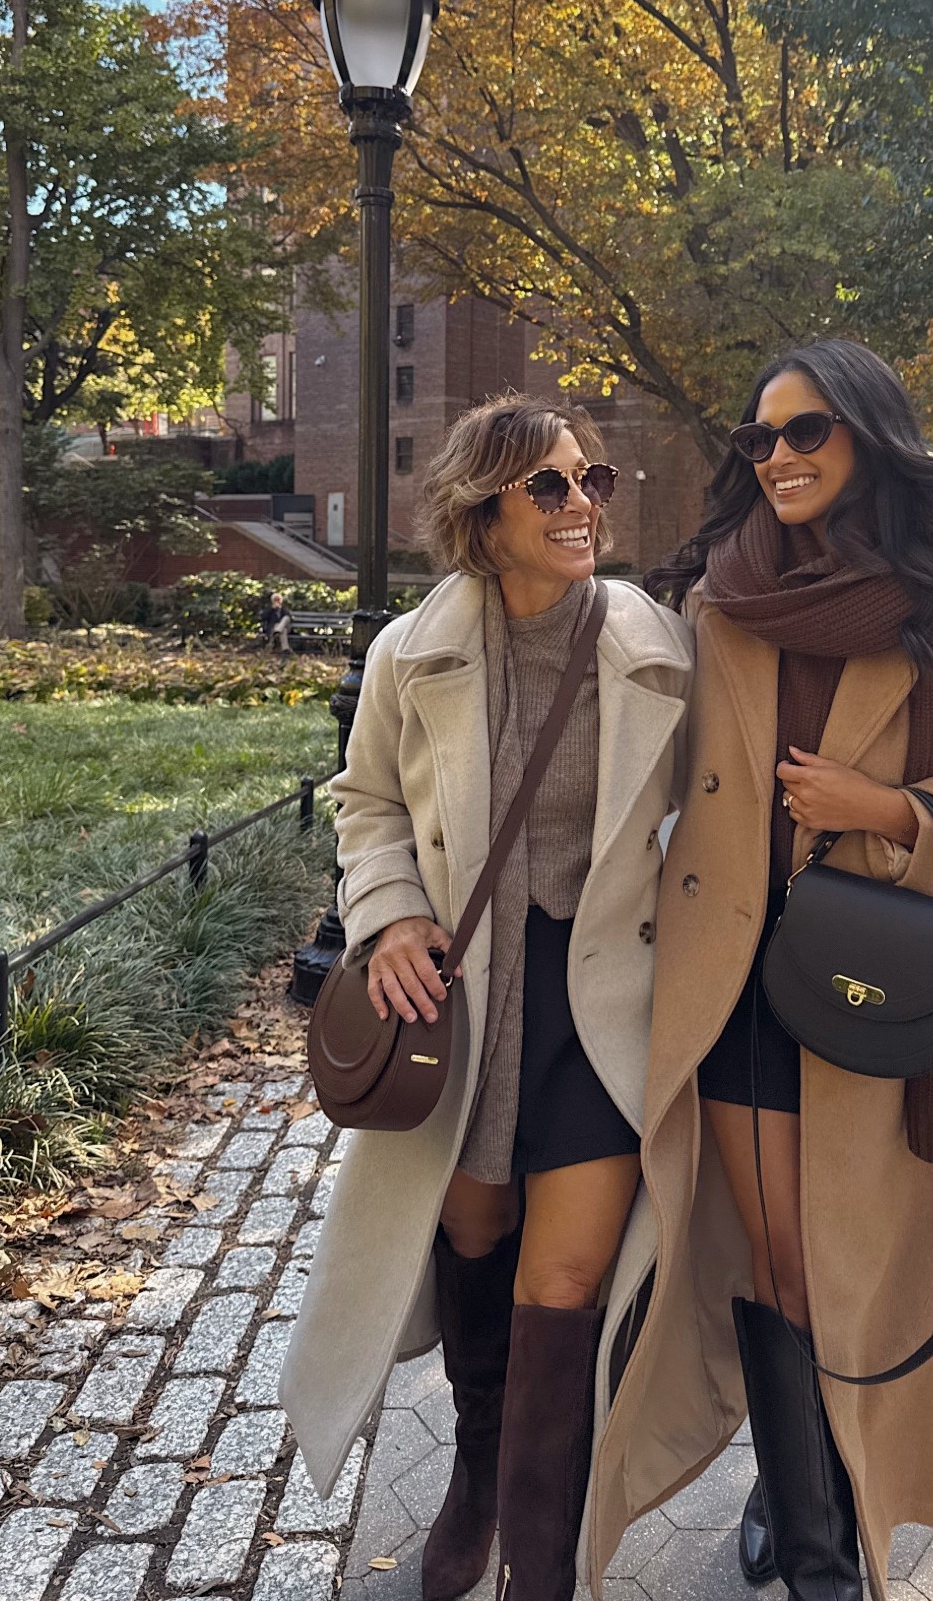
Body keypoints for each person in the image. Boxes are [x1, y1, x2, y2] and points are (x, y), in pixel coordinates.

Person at [586, 339, 933, 1601]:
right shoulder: (714, 596)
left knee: (865, 1266)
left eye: (809, 432)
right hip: (739, 982)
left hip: (887, 987)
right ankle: (816, 1541)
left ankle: (839, 1485)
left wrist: (894, 806)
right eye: (761, 439)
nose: (782, 457)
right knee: (783, 1260)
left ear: (871, 436)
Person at [281, 396, 694, 1601]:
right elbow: (365, 804)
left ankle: (542, 1551)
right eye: (551, 487)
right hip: (466, 1003)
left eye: (591, 479)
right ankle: (478, 1463)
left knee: (563, 1278)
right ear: (484, 514)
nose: (583, 506)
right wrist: (393, 909)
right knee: (471, 1227)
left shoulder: (656, 642)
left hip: (604, 1000)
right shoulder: (411, 652)